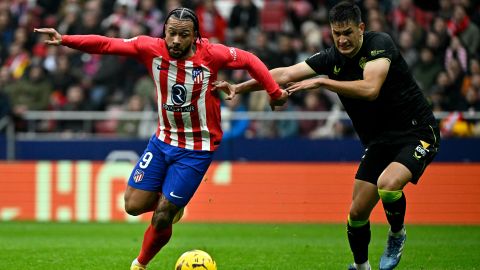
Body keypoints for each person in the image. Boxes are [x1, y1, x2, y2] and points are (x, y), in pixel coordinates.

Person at [35, 7, 287, 270]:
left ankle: (140, 264)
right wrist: (65, 39)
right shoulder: (150, 48)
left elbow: (249, 59)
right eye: (171, 34)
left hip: (196, 148)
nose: (176, 41)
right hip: (162, 140)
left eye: (184, 35)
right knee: (132, 206)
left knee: (162, 215)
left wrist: (274, 90)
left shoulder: (212, 55)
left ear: (195, 36)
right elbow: (107, 44)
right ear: (164, 32)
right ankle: (172, 203)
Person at [216, 2, 440, 270]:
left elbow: (370, 89)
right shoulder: (331, 58)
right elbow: (284, 74)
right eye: (336, 34)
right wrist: (238, 88)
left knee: (388, 184)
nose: (342, 40)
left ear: (361, 28)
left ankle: (396, 234)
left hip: (416, 132)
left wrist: (323, 82)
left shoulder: (380, 45)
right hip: (379, 141)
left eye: (347, 32)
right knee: (357, 213)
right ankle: (361, 267)